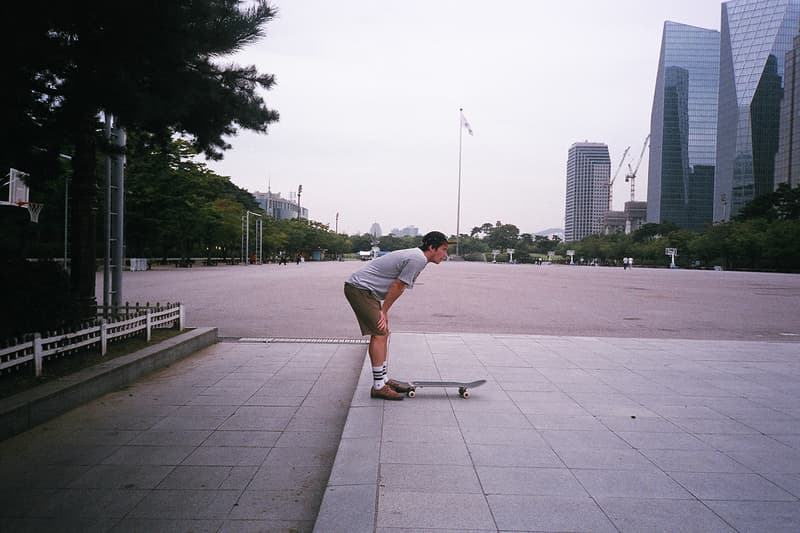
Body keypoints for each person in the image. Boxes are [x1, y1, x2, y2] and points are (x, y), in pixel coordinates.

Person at [344, 231, 451, 400]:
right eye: (444, 250)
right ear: (432, 247)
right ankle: (378, 386)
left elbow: (399, 287)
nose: (445, 255)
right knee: (380, 333)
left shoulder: (417, 257)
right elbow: (397, 285)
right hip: (359, 289)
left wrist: (384, 311)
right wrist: (383, 311)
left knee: (384, 332)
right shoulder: (418, 259)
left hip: (365, 290)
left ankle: (383, 380)